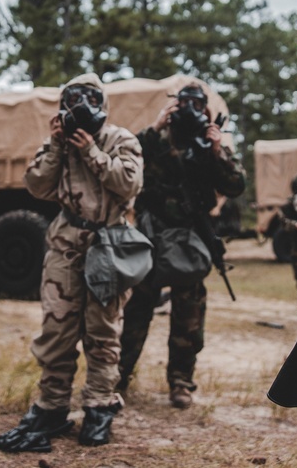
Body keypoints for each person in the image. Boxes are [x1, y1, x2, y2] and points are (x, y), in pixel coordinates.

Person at [0, 73, 143, 452]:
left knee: (102, 330)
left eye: (87, 98)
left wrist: (92, 150)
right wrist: (58, 145)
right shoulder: (58, 142)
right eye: (71, 98)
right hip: (65, 244)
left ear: (102, 103)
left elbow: (128, 184)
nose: (78, 105)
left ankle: (98, 406)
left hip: (108, 245)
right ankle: (52, 406)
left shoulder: (121, 139)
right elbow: (37, 186)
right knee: (56, 328)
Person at [117, 83, 246, 409]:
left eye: (196, 103)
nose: (189, 107)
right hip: (151, 237)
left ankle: (180, 382)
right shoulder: (156, 139)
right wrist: (158, 126)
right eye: (183, 102)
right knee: (136, 312)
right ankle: (117, 378)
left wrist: (217, 151)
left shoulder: (208, 144)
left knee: (188, 317)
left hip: (189, 239)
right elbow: (128, 155)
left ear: (205, 109)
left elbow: (235, 185)